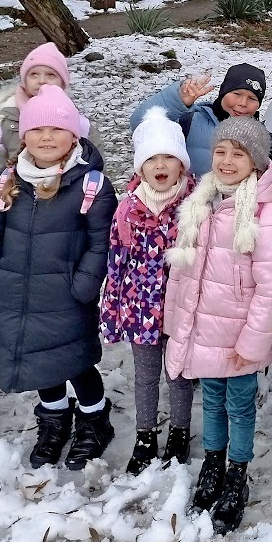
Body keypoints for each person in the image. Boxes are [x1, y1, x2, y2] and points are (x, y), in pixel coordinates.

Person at [0, 85, 117, 470]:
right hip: (16, 292)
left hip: (66, 295)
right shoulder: (9, 182)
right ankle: (53, 422)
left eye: (57, 129)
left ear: (74, 135)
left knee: (75, 362)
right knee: (40, 362)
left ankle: (94, 421)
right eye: (38, 130)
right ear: (24, 136)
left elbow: (100, 241)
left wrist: (84, 285)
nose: (47, 137)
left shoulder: (90, 186)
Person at [163, 117, 272, 534]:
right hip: (202, 331)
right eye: (221, 152)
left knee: (239, 404)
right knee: (211, 401)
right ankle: (213, 462)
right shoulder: (200, 203)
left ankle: (238, 471)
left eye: (239, 154)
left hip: (237, 336)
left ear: (255, 161)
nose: (228, 161)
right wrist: (175, 323)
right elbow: (182, 272)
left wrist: (253, 343)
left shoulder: (262, 214)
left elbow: (271, 287)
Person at [100, 107, 198, 475]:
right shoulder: (127, 209)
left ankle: (179, 431)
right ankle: (145, 436)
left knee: (179, 373)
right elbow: (116, 262)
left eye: (169, 158)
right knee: (145, 375)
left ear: (181, 165)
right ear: (139, 167)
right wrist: (113, 311)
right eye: (152, 158)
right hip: (140, 307)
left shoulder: (194, 206)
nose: (160, 165)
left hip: (179, 308)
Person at [129, 63, 272, 186]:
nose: (243, 103)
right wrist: (177, 101)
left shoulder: (266, 141)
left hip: (232, 231)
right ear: (223, 93)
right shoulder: (189, 121)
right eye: (236, 94)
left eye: (252, 98)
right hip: (186, 221)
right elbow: (141, 123)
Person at [0, 42, 94, 167]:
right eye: (34, 74)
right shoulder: (3, 119)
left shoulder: (76, 120)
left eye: (51, 75)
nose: (42, 81)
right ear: (24, 80)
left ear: (62, 82)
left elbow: (94, 162)